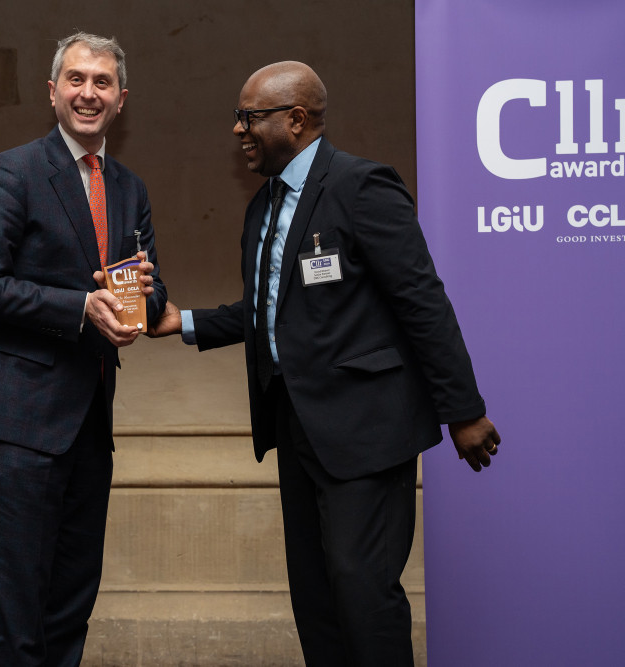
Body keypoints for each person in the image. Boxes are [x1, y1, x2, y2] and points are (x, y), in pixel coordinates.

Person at [148, 61, 500, 665]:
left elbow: (421, 301)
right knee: (316, 601)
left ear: (296, 119)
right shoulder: (262, 208)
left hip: (367, 429)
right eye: (238, 117)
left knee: (364, 595)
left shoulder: (362, 187)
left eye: (249, 117)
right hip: (298, 429)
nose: (238, 130)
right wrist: (183, 322)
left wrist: (463, 412)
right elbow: (268, 311)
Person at [0, 32, 166, 666]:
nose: (88, 93)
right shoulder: (9, 172)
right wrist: (79, 307)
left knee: (72, 596)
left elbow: (146, 292)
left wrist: (140, 302)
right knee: (20, 604)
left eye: (102, 82)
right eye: (76, 80)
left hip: (89, 421)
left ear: (122, 99)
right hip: (15, 419)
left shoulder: (129, 188)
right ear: (52, 92)